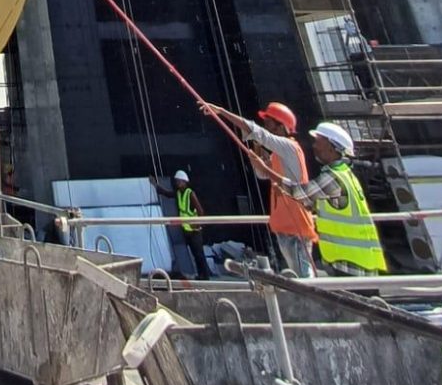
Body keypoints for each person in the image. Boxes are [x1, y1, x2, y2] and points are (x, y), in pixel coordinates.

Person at [203, 99, 317, 278]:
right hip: (285, 225)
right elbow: (263, 175)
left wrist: (222, 112)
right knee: (298, 275)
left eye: (269, 124)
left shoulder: (289, 147)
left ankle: (313, 305)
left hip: (295, 225)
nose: (267, 127)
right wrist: (258, 160)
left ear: (282, 127)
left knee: (304, 277)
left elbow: (259, 134)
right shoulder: (279, 155)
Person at [287, 122, 387, 277]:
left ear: (332, 147)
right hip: (358, 262)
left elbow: (298, 193)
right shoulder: (346, 174)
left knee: (353, 300)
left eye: (318, 142)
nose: (314, 146)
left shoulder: (333, 178)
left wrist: (268, 172)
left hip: (350, 263)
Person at [154, 170, 211, 280]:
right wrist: (157, 187)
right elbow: (168, 194)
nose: (178, 184)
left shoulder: (190, 193)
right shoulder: (178, 193)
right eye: (177, 182)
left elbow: (200, 211)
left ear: (185, 182)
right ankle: (201, 275)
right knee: (195, 254)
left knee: (199, 254)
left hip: (195, 230)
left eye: (180, 182)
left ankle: (205, 276)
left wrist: (198, 224)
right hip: (187, 230)